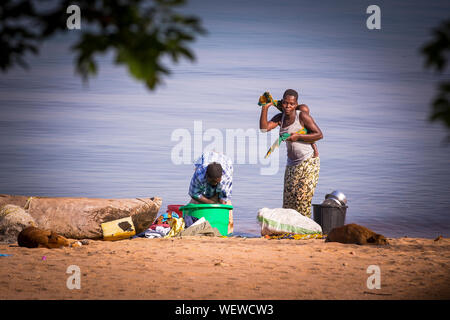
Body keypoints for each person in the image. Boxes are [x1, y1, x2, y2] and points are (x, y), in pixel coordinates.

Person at [259, 89, 323, 218]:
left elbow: (319, 135)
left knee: (302, 200)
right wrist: (265, 108)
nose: (288, 106)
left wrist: (298, 137)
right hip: (292, 165)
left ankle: (306, 231)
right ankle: (292, 231)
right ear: (282, 103)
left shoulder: (302, 116)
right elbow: (264, 128)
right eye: (286, 103)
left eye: (292, 104)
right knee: (289, 203)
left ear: (296, 104)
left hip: (308, 162)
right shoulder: (280, 118)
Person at [188, 151, 234, 233]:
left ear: (220, 178)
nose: (214, 184)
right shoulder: (199, 174)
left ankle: (227, 232)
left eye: (216, 182)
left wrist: (217, 205)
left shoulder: (226, 177)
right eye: (212, 181)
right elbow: (194, 193)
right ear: (207, 176)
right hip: (204, 160)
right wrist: (210, 202)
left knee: (227, 214)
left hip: (225, 163)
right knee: (194, 206)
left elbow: (223, 199)